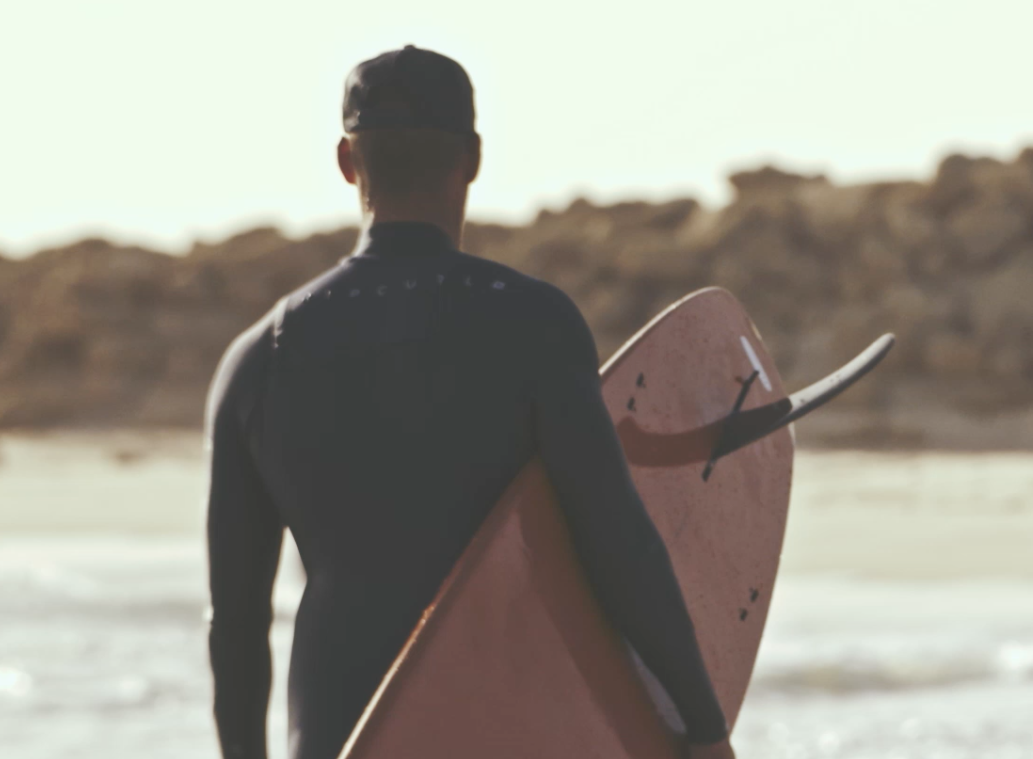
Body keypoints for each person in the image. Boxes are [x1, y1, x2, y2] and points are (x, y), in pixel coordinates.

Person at [204, 45, 736, 759]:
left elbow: (236, 626)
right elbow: (617, 543)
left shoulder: (259, 358)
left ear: (347, 161)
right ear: (473, 158)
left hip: (338, 740)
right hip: (512, 732)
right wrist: (704, 727)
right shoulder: (533, 325)